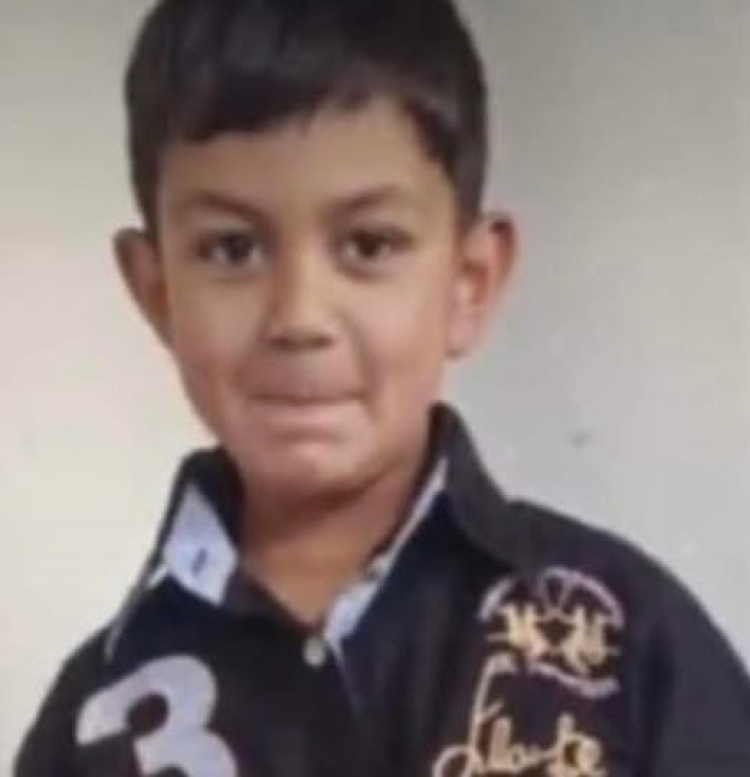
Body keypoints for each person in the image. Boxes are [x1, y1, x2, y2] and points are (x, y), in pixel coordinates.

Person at [14, 1, 750, 775]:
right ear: (157, 292)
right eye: (232, 249)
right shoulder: (93, 720)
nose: (299, 317)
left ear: (470, 282)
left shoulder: (624, 642)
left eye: (368, 245)